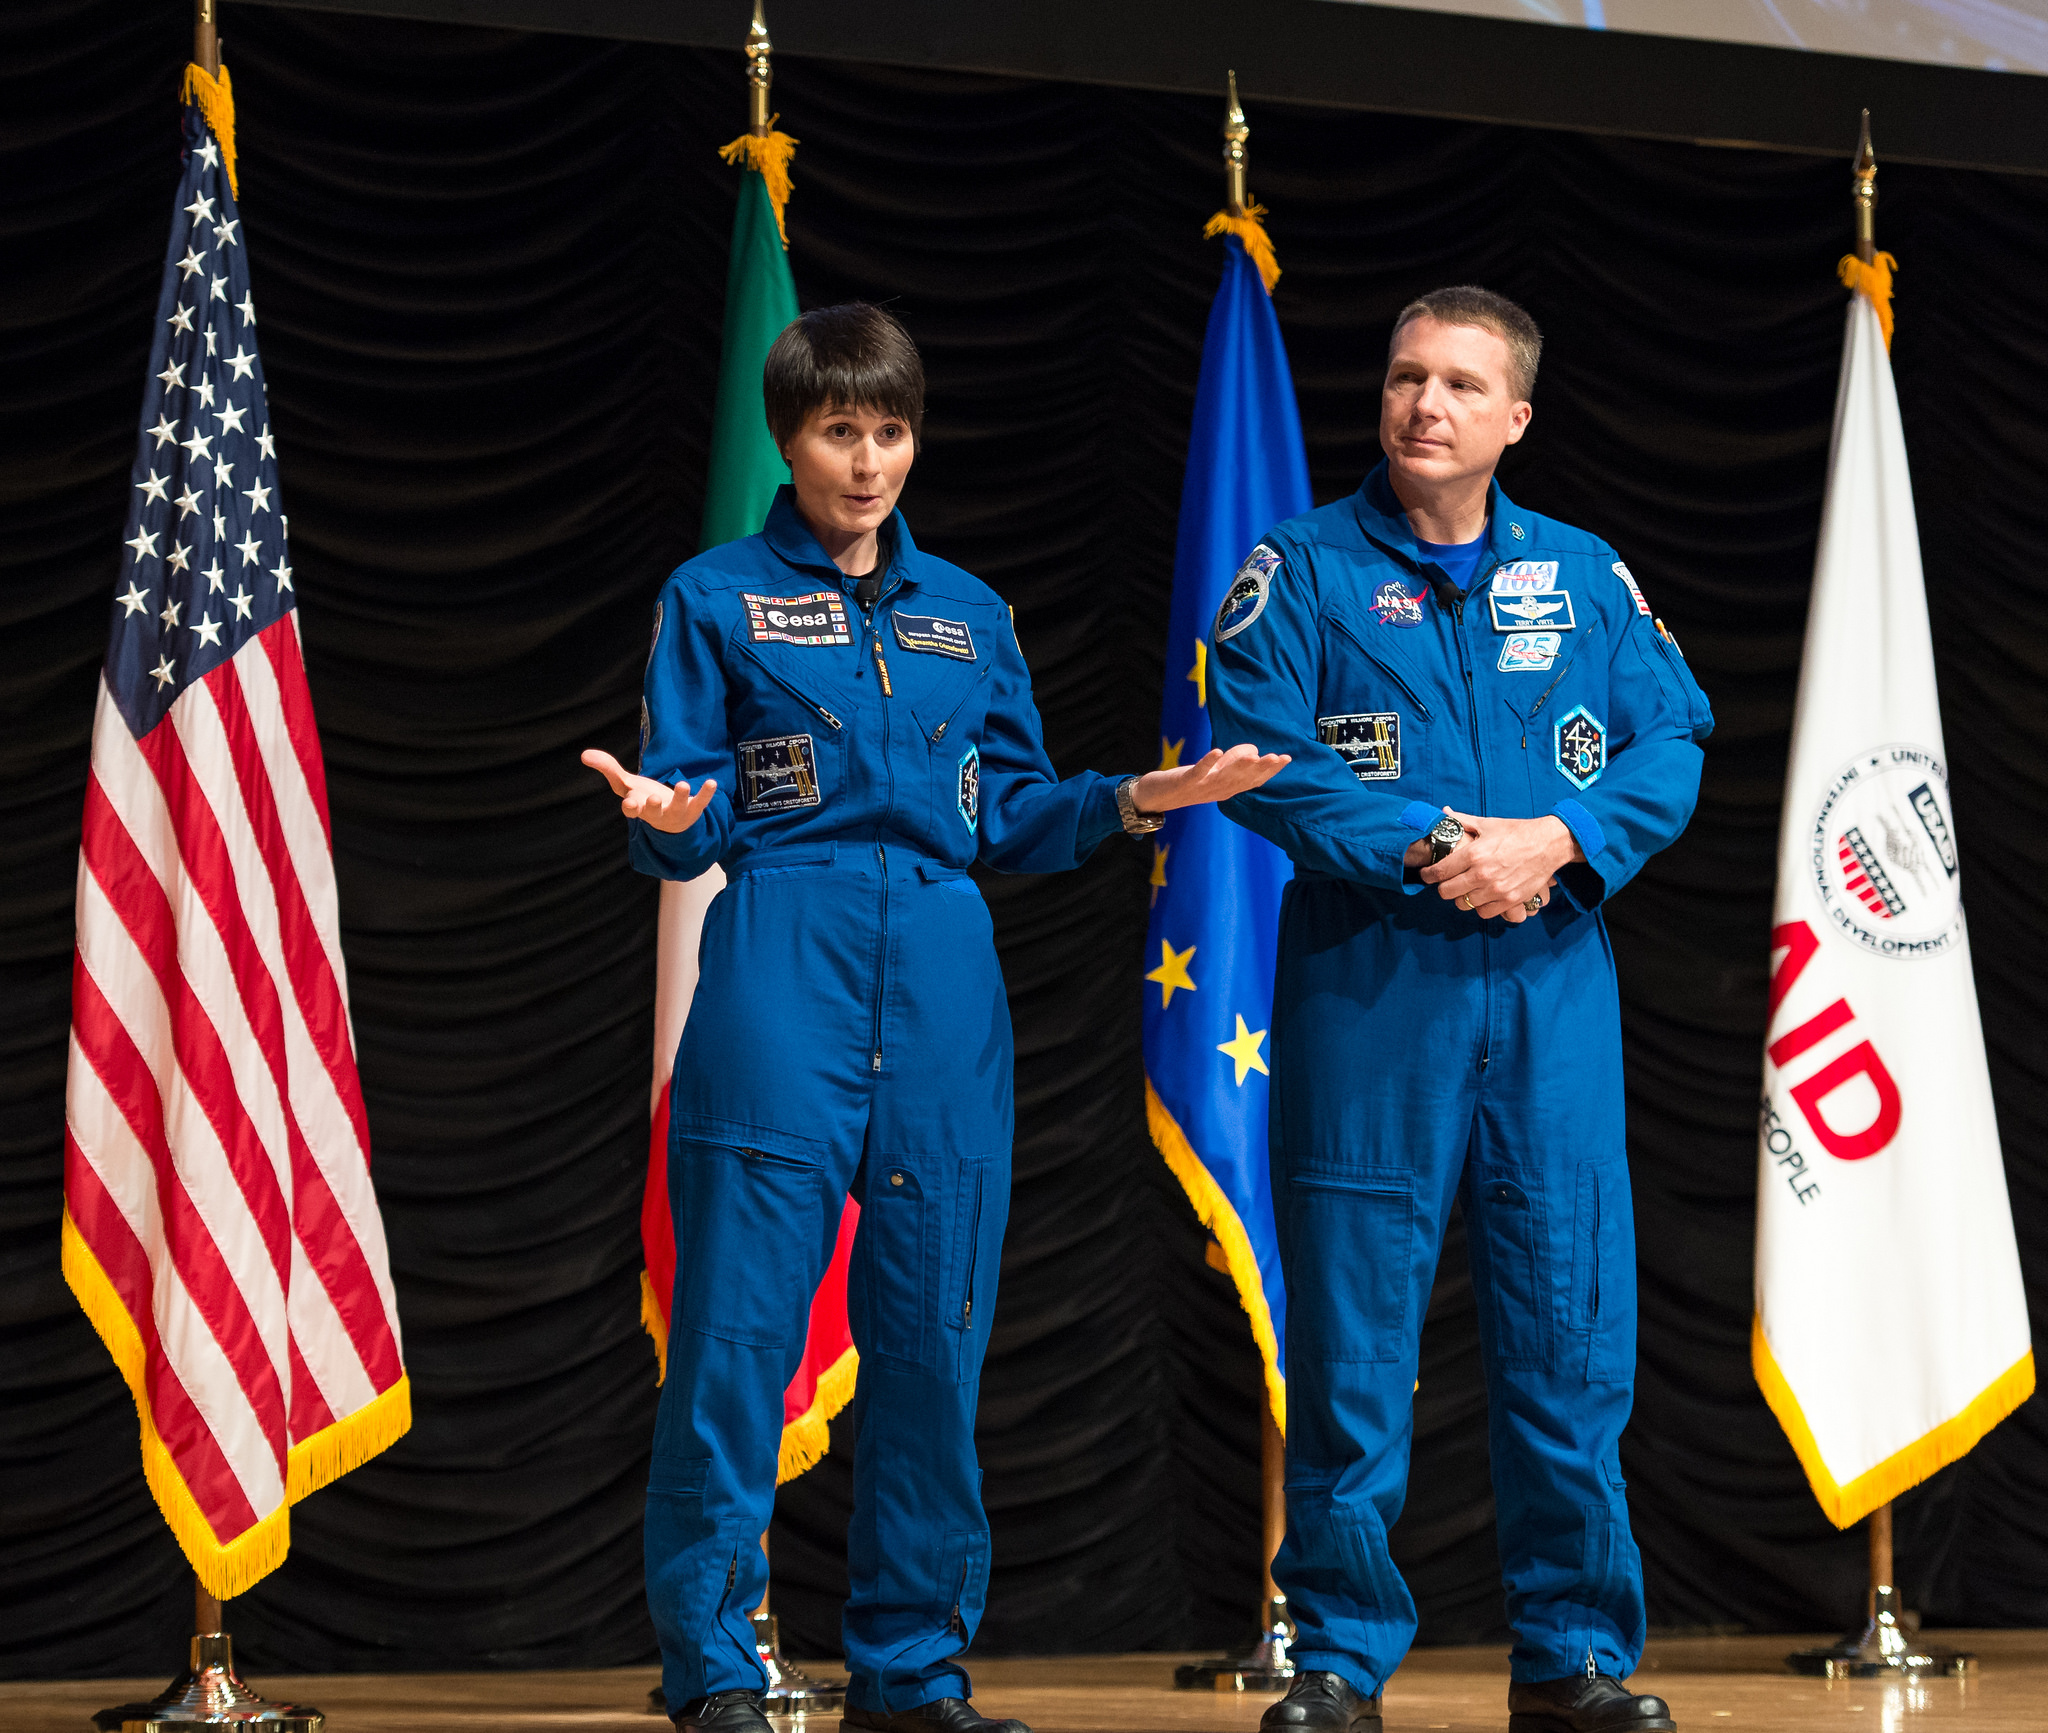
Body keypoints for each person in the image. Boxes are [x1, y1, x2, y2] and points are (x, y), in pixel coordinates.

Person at [583, 303, 1286, 1733]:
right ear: (791, 438)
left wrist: (1139, 798)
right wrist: (667, 822)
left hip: (948, 977)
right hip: (786, 952)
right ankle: (715, 1662)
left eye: (891, 429)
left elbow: (1014, 810)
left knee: (932, 1330)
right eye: (841, 429)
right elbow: (681, 797)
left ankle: (908, 1669)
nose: (868, 459)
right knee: (735, 1336)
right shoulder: (715, 594)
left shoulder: (971, 612)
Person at [1207, 287, 1713, 1733]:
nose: (1425, 405)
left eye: (1459, 385)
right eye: (1405, 377)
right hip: (1377, 988)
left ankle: (1572, 1656)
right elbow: (1263, 754)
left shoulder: (1585, 574)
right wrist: (1442, 844)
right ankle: (1341, 1660)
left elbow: (1672, 735)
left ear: (1517, 419)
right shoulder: (1297, 569)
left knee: (1569, 1332)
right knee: (1359, 1342)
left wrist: (1555, 844)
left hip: (1551, 993)